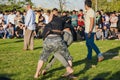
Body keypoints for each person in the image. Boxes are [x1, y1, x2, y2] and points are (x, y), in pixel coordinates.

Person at [34, 8, 74, 79]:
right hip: (58, 39)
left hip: (47, 41)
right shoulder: (60, 20)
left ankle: (37, 74)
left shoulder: (48, 24)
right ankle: (69, 71)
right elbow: (67, 17)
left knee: (42, 58)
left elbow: (43, 36)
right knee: (67, 56)